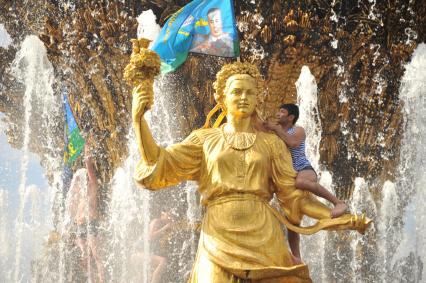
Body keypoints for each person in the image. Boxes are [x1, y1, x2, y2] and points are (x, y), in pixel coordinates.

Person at [127, 43, 371, 282]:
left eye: (249, 92)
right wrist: (139, 120)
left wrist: (332, 216)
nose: (243, 97)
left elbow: (294, 195)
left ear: (257, 98)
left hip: (264, 234)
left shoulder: (271, 143)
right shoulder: (205, 139)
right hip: (218, 235)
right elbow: (158, 161)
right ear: (222, 97)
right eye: (236, 91)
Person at [264, 103, 348, 264]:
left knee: (302, 182)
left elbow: (293, 144)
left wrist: (275, 129)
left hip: (302, 168)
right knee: (292, 218)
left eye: (282, 111)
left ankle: (338, 203)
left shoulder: (297, 130)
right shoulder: (276, 132)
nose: (278, 113)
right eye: (278, 110)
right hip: (287, 176)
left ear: (291, 117)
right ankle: (297, 257)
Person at [67, 144, 105, 283]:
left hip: (91, 224)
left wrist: (87, 156)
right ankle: (93, 280)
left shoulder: (93, 186)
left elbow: (90, 170)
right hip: (80, 226)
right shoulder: (81, 195)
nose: (79, 183)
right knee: (84, 258)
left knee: (96, 255)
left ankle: (102, 280)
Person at [148, 211, 172, 283]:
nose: (170, 217)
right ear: (162, 214)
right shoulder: (156, 221)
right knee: (163, 261)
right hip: (138, 252)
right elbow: (150, 236)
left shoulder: (162, 225)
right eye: (168, 215)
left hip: (147, 253)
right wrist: (165, 228)